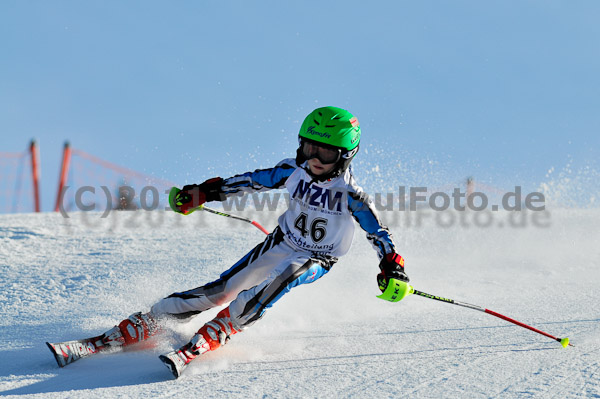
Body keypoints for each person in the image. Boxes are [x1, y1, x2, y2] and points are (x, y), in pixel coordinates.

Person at [100, 106, 409, 377]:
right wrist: (205, 193)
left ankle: (222, 328)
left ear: (344, 156)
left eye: (325, 153)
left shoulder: (352, 195)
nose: (314, 158)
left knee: (282, 278)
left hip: (319, 256)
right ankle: (154, 319)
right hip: (283, 241)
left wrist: (392, 267)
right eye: (309, 147)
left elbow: (379, 234)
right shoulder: (294, 170)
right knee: (223, 289)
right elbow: (251, 181)